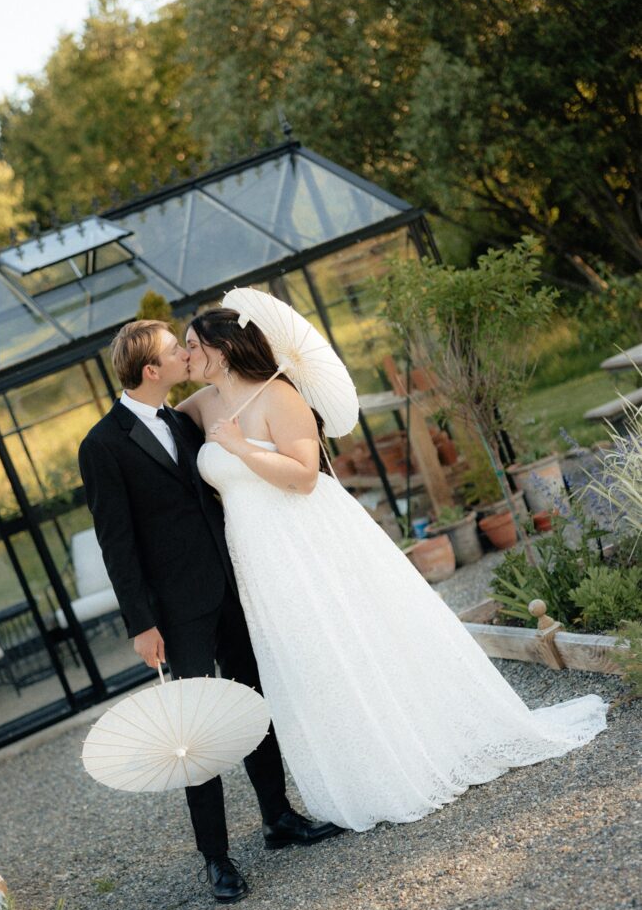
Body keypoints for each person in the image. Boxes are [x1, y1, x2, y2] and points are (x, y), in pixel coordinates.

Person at [177, 307, 609, 833]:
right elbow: (162, 420)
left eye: (193, 345)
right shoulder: (203, 403)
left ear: (223, 349)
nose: (186, 354)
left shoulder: (279, 396)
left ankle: (411, 753)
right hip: (258, 556)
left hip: (305, 539)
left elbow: (304, 477)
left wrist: (241, 448)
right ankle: (360, 770)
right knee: (310, 662)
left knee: (354, 639)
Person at [78, 320, 342, 905]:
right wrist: (141, 624)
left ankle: (278, 817)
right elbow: (115, 542)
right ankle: (216, 859)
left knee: (252, 701)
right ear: (152, 370)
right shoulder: (101, 445)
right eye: (176, 350)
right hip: (174, 611)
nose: (186, 354)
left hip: (230, 585)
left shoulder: (184, 419)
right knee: (194, 733)